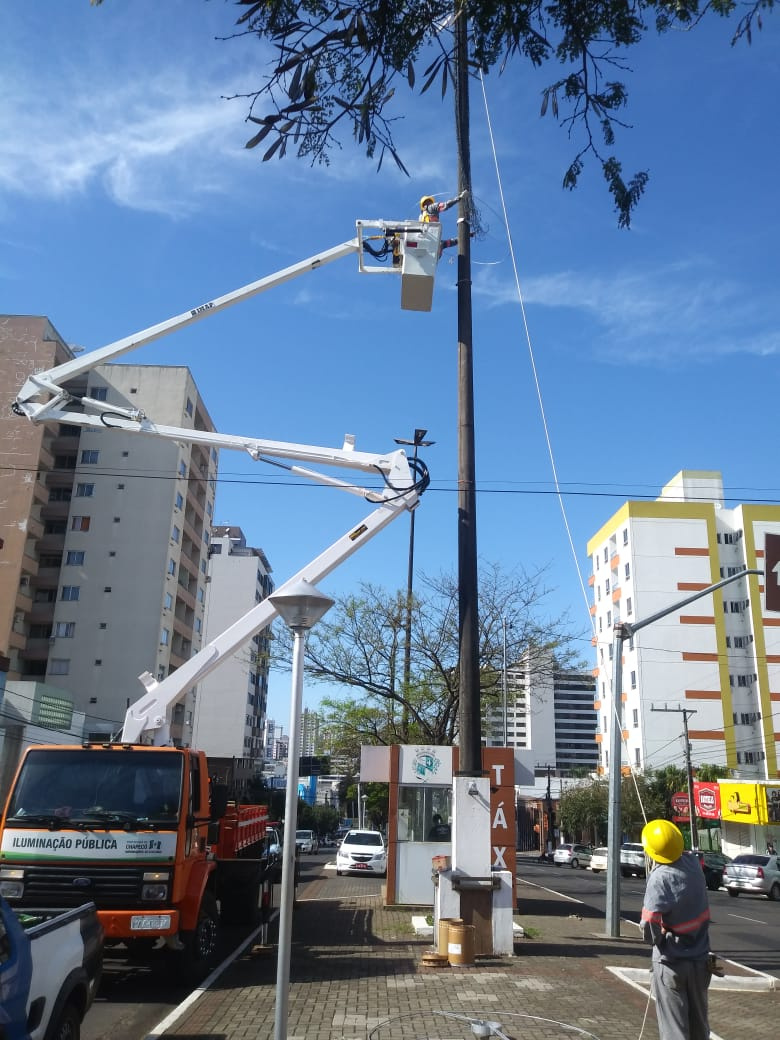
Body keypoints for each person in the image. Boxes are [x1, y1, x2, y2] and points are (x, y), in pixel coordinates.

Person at [640, 819, 712, 1040]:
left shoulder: (659, 878)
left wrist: (658, 938)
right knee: (699, 1027)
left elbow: (649, 925)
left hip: (671, 963)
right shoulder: (693, 865)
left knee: (675, 1031)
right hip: (700, 960)